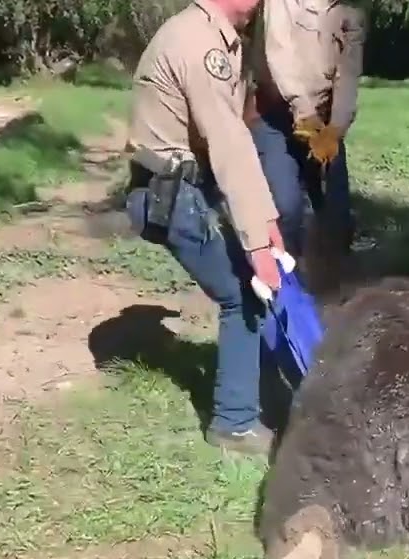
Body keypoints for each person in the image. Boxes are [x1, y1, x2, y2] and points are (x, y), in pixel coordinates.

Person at [124, 0, 286, 455]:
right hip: (171, 196)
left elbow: (235, 141)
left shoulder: (211, 36)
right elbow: (230, 145)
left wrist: (266, 222)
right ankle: (234, 423)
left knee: (246, 288)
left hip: (177, 190)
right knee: (243, 296)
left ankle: (256, 385)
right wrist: (257, 246)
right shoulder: (201, 45)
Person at [249, 0, 366, 256]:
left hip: (323, 121)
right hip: (276, 117)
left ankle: (334, 272)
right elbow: (280, 56)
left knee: (337, 214)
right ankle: (284, 272)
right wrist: (305, 115)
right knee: (286, 208)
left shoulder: (350, 11)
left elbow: (347, 75)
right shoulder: (281, 4)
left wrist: (336, 129)